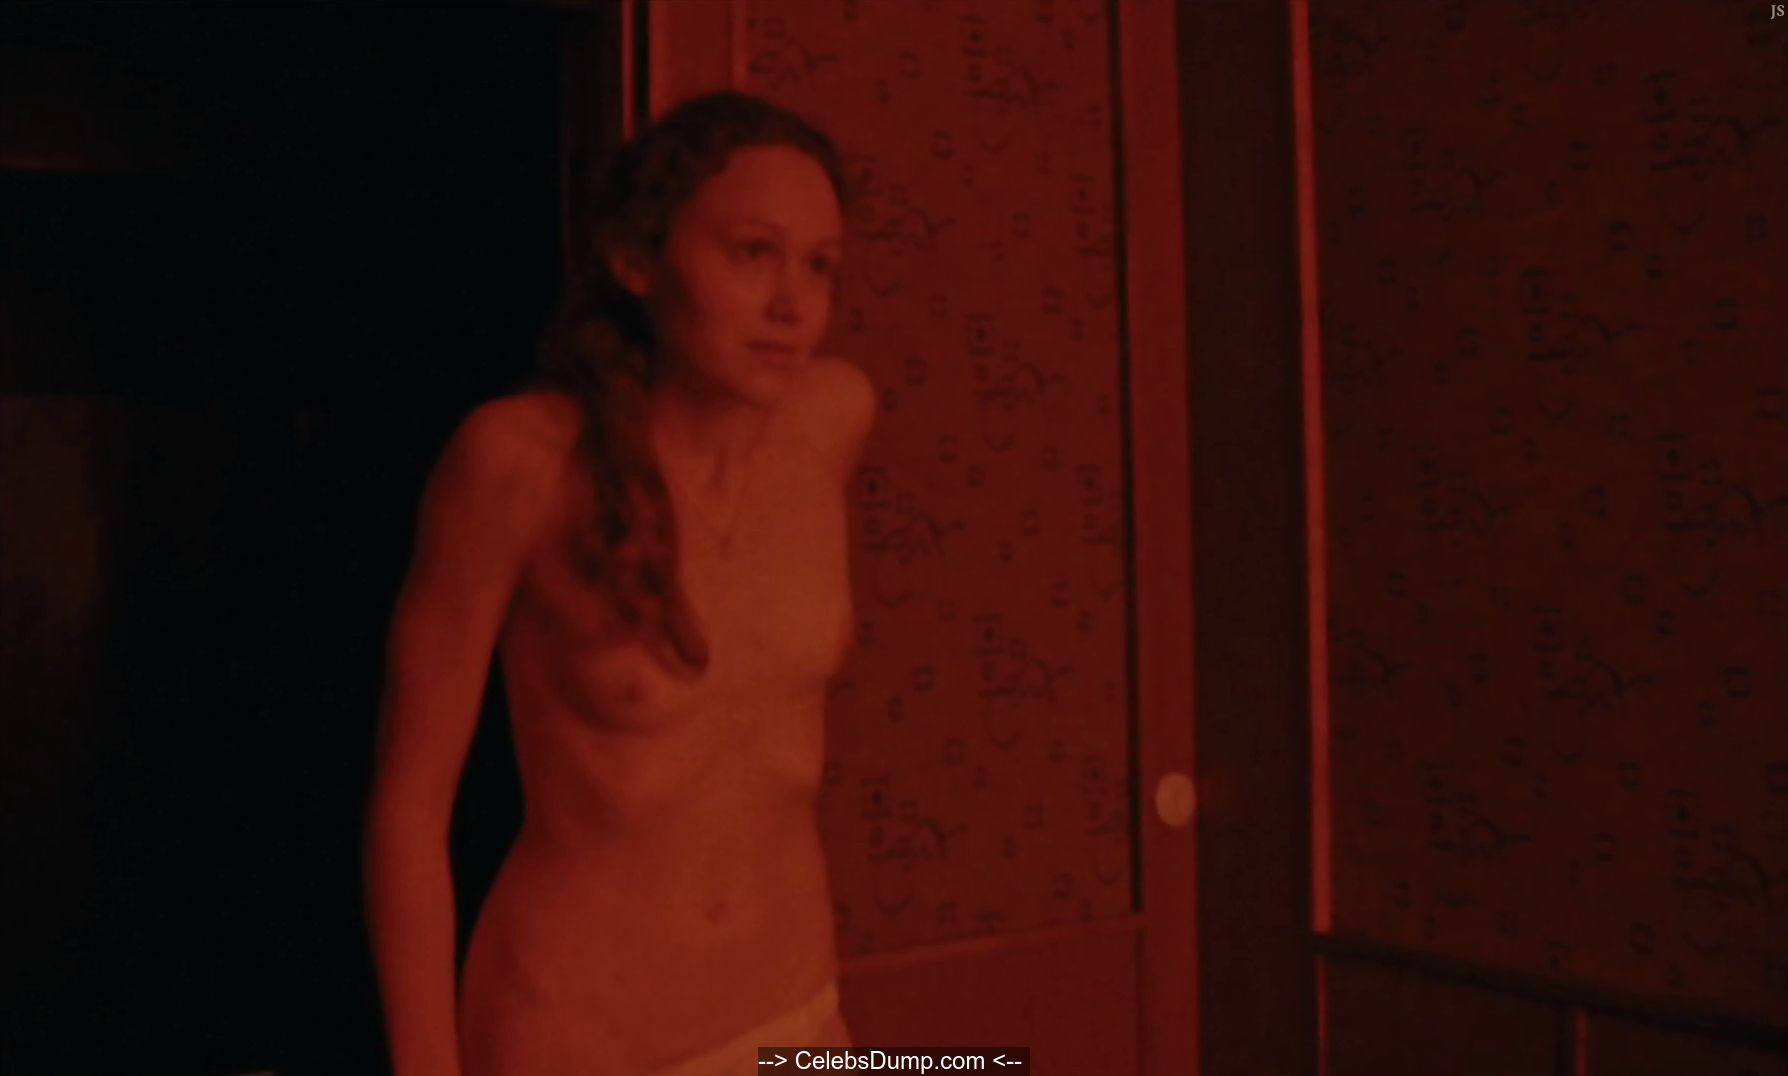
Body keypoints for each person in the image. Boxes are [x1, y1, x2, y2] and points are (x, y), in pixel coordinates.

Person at [362, 90, 875, 1076]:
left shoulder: (833, 419)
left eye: (820, 265)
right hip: (585, 1037)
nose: (793, 304)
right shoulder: (519, 462)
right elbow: (409, 809)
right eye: (753, 253)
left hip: (801, 1021)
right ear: (638, 259)